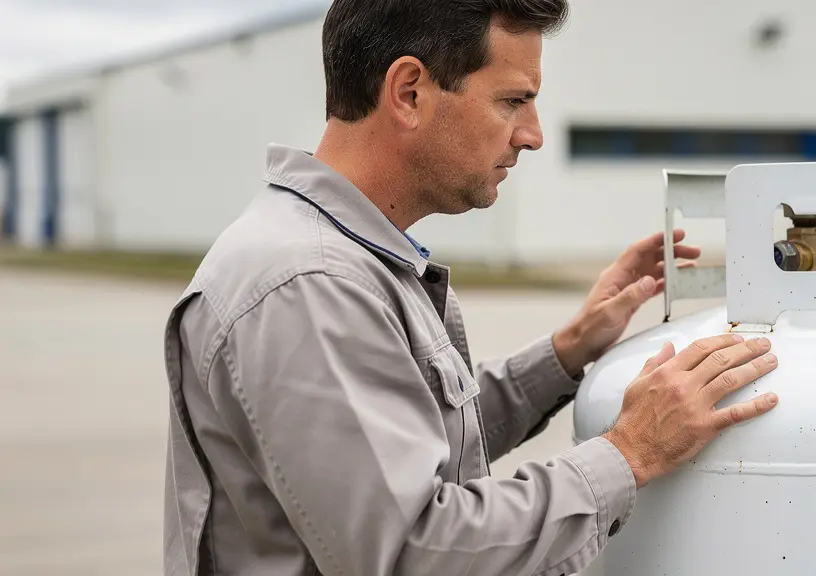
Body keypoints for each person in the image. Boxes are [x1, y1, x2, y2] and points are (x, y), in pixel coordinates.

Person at [161, 1, 780, 575]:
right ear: (409, 92)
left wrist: (568, 351)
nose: (532, 134)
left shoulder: (345, 258)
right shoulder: (310, 285)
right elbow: (412, 549)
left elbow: (409, 438)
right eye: (513, 101)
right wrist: (630, 452)